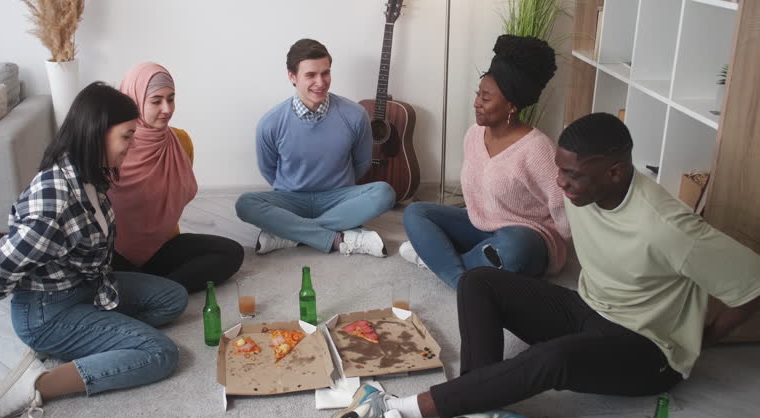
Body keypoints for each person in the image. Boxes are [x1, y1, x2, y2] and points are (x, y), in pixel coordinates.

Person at [329, 113, 760, 418]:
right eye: (559, 168)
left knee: (550, 360)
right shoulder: (578, 189)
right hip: (589, 312)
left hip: (647, 353)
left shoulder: (668, 227)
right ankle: (476, 411)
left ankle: (398, 412)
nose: (561, 183)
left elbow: (752, 281)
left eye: (572, 175)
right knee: (479, 282)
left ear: (614, 171)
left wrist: (701, 340)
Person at [0, 82, 189, 418]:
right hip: (47, 312)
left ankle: (102, 339)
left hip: (87, 287)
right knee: (160, 354)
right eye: (127, 137)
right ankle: (36, 384)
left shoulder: (88, 175)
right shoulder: (54, 199)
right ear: (97, 134)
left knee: (172, 298)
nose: (131, 147)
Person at [400, 35, 570, 289]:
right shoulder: (474, 134)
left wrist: (570, 250)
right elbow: (476, 200)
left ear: (511, 106)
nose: (476, 103)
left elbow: (563, 208)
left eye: (486, 98)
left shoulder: (538, 149)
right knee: (416, 213)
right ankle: (463, 279)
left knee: (514, 248)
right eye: (478, 94)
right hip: (480, 225)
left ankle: (443, 263)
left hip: (525, 237)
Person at [235, 39, 395, 257]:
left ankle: (290, 232)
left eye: (325, 73)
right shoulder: (271, 122)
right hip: (291, 200)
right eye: (310, 75)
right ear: (292, 76)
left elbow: (362, 163)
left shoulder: (355, 115)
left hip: (339, 197)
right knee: (245, 204)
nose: (320, 82)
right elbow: (268, 169)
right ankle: (339, 236)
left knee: (384, 193)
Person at [108, 62, 243, 293]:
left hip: (162, 246)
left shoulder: (180, 142)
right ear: (134, 99)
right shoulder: (112, 145)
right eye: (156, 101)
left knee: (231, 252)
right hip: (115, 253)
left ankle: (160, 290)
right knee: (100, 281)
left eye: (171, 99)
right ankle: (158, 290)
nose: (167, 109)